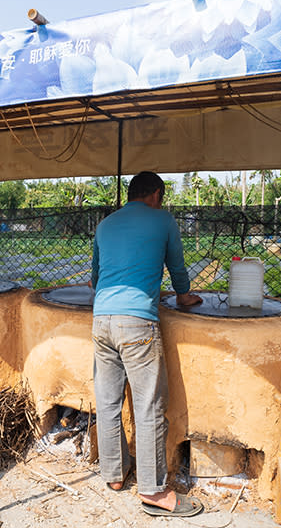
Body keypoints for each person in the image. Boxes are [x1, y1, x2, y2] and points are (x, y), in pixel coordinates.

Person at [90, 171, 203, 518]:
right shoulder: (163, 220)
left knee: (108, 402)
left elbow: (95, 278)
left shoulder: (105, 225)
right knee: (149, 405)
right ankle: (154, 491)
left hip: (101, 321)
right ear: (155, 194)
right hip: (137, 322)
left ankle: (114, 476)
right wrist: (184, 297)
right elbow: (177, 268)